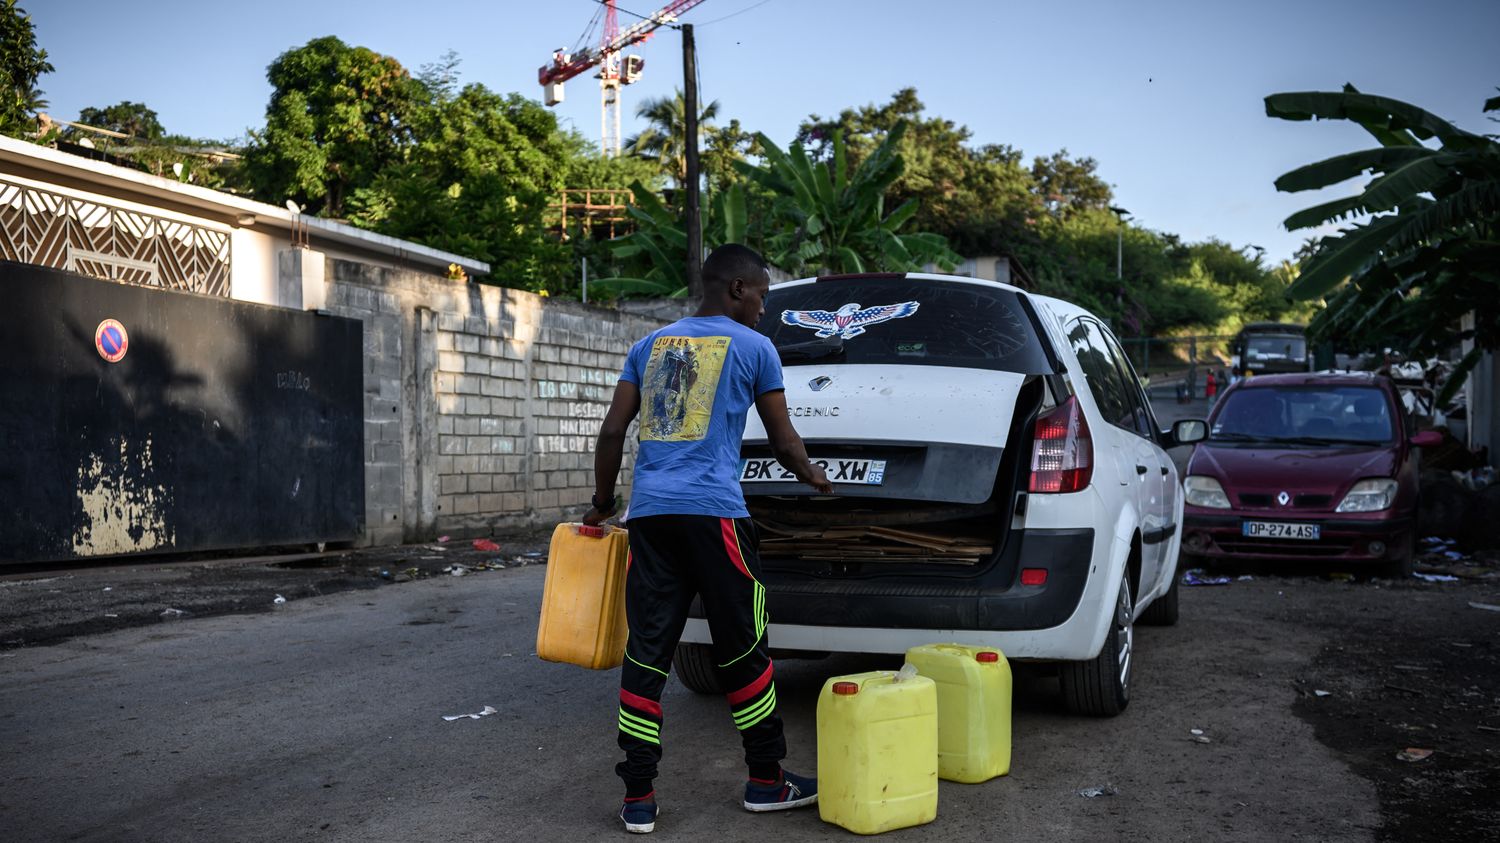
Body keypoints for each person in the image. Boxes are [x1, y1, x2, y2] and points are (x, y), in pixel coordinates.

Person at [583, 244, 833, 834]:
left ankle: (638, 797)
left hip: (650, 518)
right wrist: (814, 475)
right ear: (738, 288)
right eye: (764, 295)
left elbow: (614, 429)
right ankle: (767, 781)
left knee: (647, 650)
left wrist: (601, 504)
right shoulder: (755, 348)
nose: (765, 308)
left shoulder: (649, 346)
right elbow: (783, 439)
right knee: (743, 648)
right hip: (716, 516)